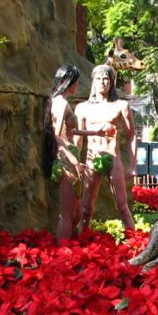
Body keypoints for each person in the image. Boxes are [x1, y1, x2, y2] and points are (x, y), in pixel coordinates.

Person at [45, 64, 115, 241]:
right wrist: (73, 160)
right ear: (69, 82)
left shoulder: (62, 102)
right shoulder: (60, 103)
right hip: (66, 159)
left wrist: (95, 132)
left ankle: (73, 251)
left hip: (71, 156)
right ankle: (62, 256)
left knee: (76, 214)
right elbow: (56, 134)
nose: (78, 85)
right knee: (67, 215)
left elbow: (71, 131)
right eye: (76, 82)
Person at [75, 64, 137, 232]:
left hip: (113, 157)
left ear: (111, 82)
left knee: (123, 206)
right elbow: (78, 139)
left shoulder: (121, 105)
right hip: (91, 158)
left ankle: (135, 245)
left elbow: (132, 135)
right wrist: (74, 162)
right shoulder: (82, 108)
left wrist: (132, 165)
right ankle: (82, 243)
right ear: (93, 81)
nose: (102, 82)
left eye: (106, 79)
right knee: (86, 208)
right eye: (98, 78)